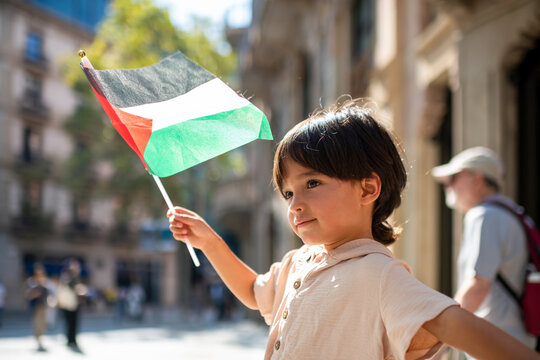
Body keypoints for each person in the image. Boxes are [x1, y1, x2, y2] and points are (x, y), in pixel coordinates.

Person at [168, 97, 540, 360]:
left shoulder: (380, 276)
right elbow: (253, 291)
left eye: (312, 183)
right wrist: (210, 241)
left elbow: (457, 327)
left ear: (368, 188)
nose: (295, 202)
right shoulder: (299, 261)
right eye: (287, 192)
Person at [431, 147, 537, 355]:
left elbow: (478, 286)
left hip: (494, 343)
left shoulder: (483, 216)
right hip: (519, 342)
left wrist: (440, 340)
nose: (448, 187)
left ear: (477, 180)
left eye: (453, 179)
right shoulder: (516, 215)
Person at [57, 258, 86, 351]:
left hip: (75, 304)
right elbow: (69, 287)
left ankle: (73, 340)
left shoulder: (76, 276)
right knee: (69, 323)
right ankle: (70, 340)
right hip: (68, 304)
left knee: (74, 323)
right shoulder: (67, 276)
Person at [25, 265, 50, 351]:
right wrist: (34, 294)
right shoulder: (31, 282)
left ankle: (40, 339)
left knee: (42, 324)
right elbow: (28, 295)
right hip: (35, 307)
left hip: (43, 306)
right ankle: (38, 340)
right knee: (37, 324)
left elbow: (47, 294)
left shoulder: (44, 283)